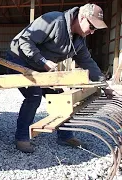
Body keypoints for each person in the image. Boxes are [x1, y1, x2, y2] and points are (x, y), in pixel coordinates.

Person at [6, 3, 115, 153]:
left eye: (95, 29)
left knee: (60, 95)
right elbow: (24, 41)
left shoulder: (78, 42)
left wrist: (105, 85)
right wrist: (43, 61)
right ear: (82, 17)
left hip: (39, 66)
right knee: (34, 95)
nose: (92, 32)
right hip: (18, 59)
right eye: (92, 27)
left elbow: (88, 63)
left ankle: (65, 136)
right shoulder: (54, 21)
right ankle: (22, 138)